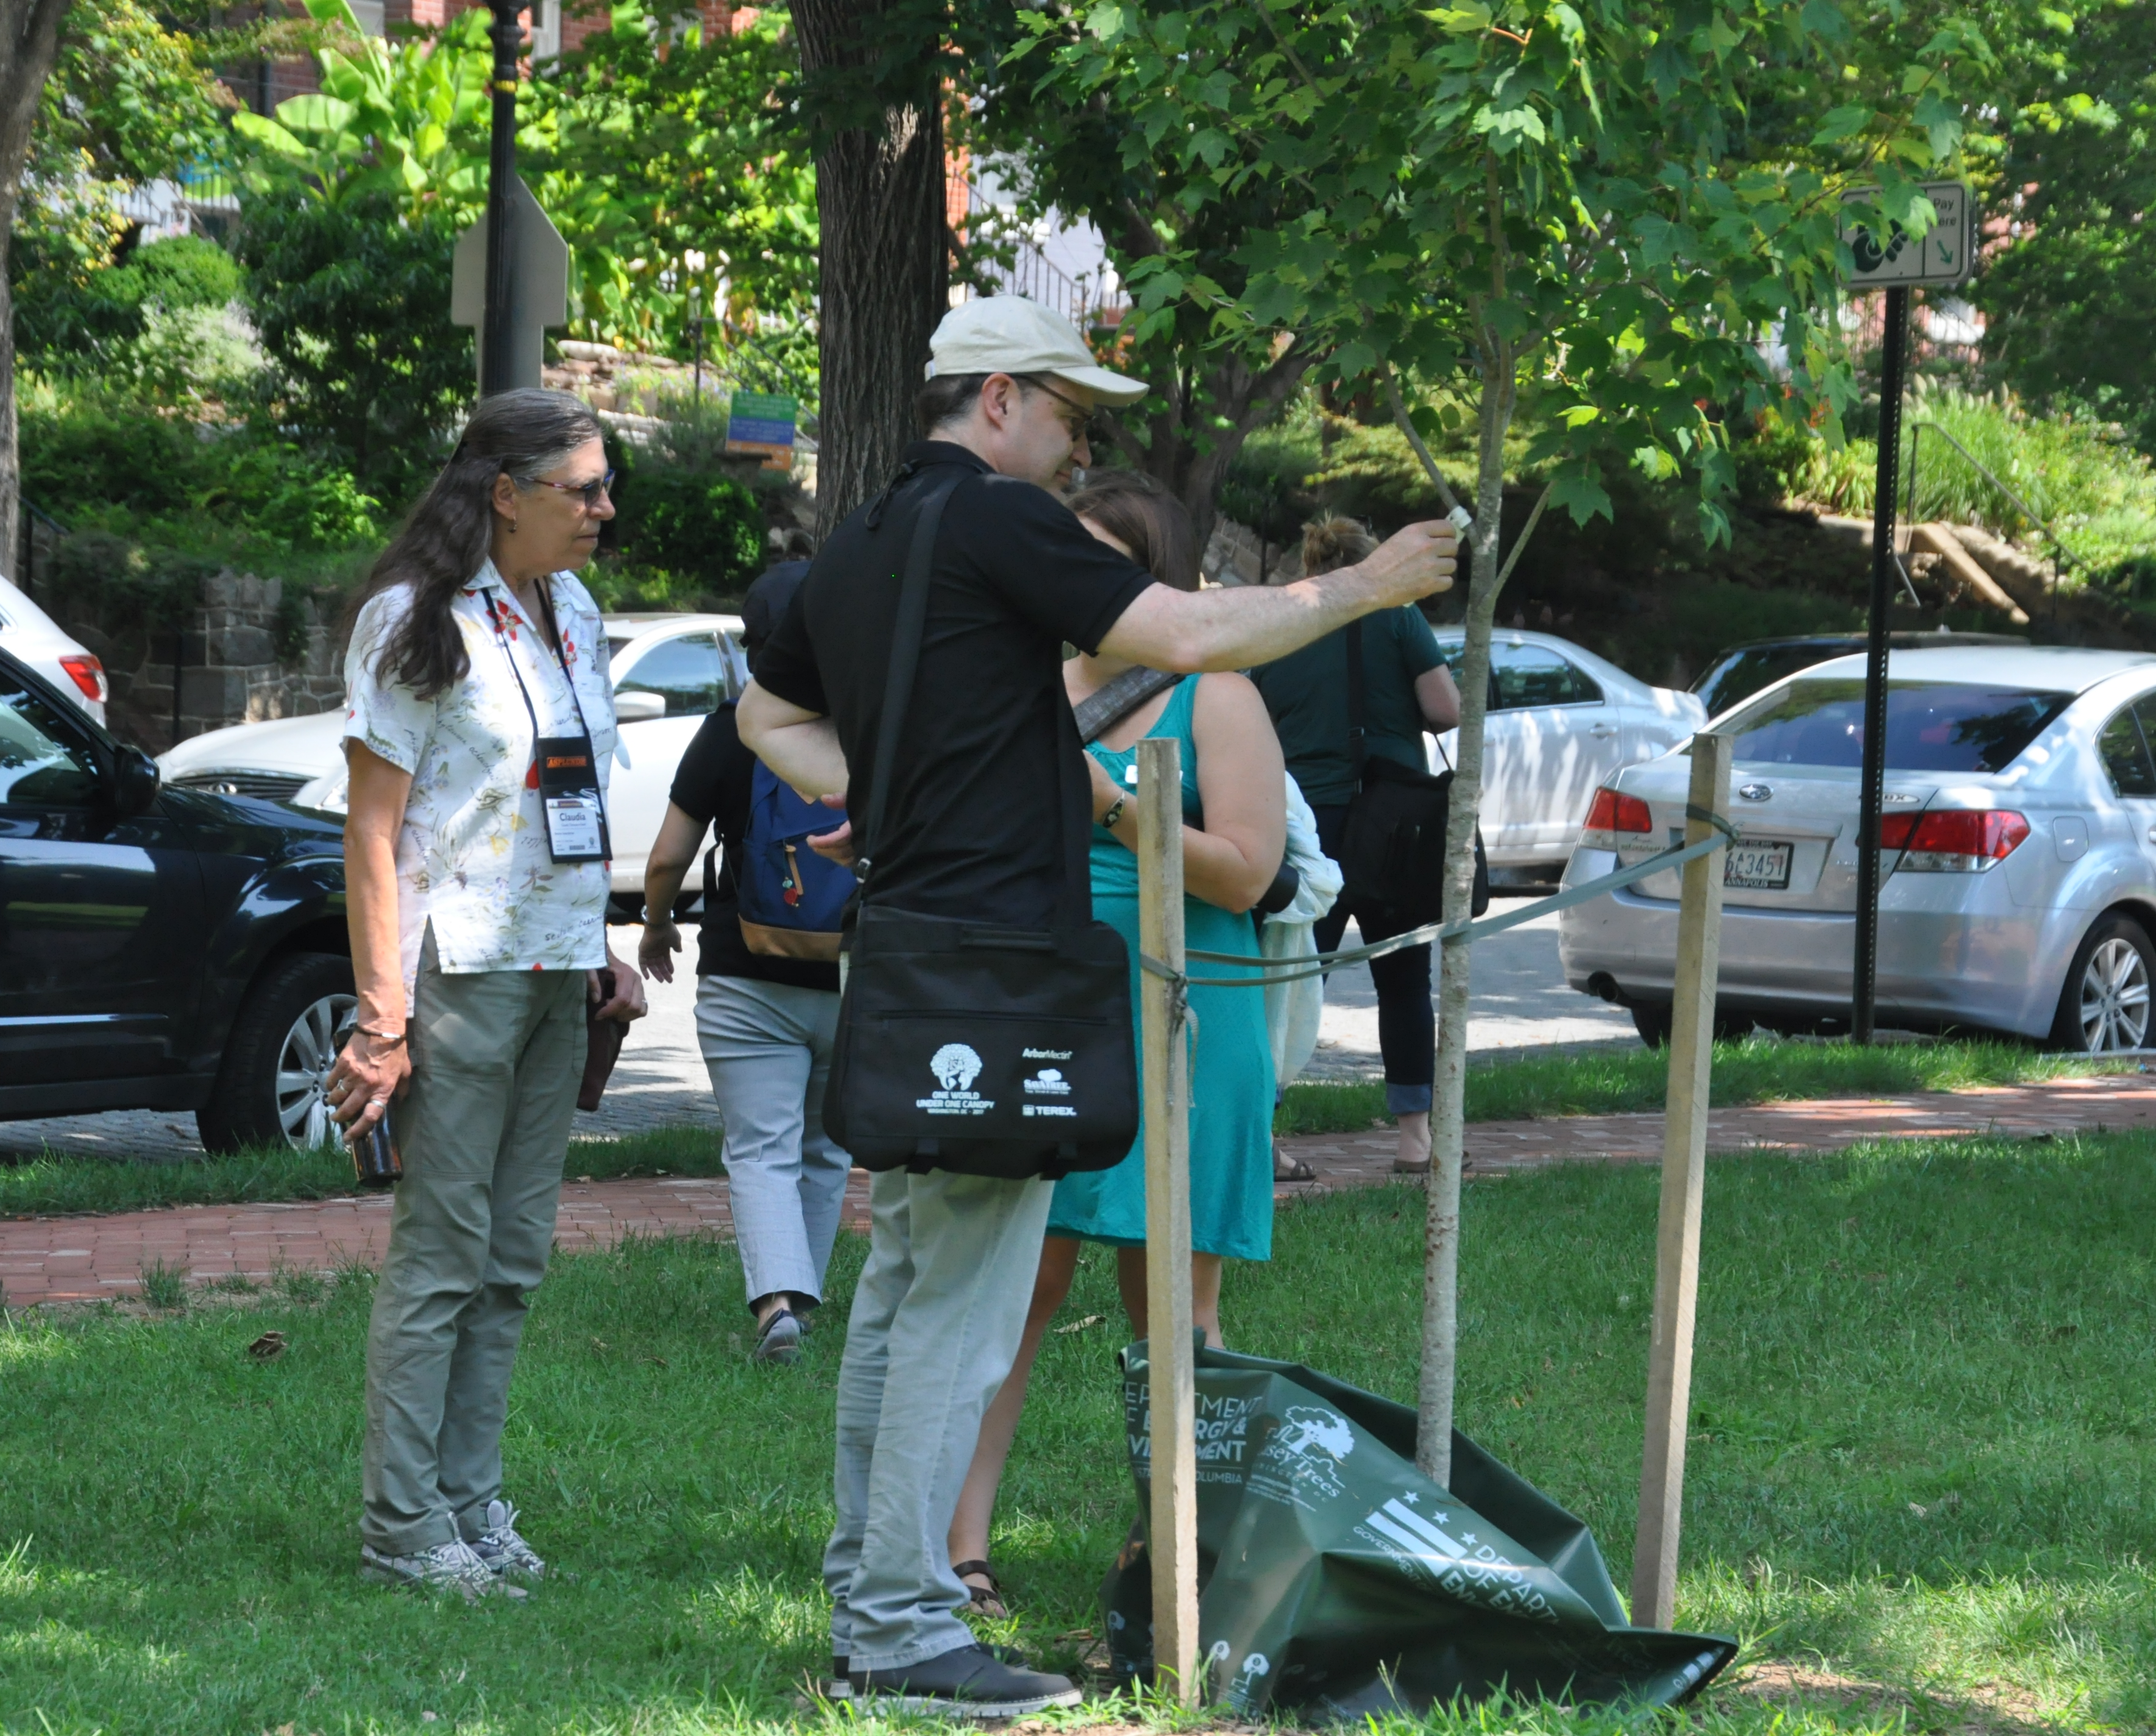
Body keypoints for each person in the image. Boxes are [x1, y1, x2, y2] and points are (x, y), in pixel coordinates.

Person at [738, 293, 1456, 1716]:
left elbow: (763, 713)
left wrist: (876, 794)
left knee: (902, 1283)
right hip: (994, 961)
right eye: (1068, 421)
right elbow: (1185, 631)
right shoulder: (993, 520)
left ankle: (872, 1588)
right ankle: (897, 1632)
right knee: (960, 1297)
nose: (1075, 458)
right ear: (996, 397)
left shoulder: (864, 540)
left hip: (910, 950)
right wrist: (1365, 586)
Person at [323, 388, 648, 1601]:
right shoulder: (413, 619)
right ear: (502, 493)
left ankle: (467, 1499)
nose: (603, 510)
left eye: (606, 486)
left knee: (511, 1258)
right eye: (585, 488)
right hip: (454, 969)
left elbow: (570, 800)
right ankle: (403, 1525)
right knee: (443, 1257)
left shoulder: (572, 608)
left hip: (554, 966)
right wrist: (380, 1017)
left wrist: (601, 941)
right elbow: (372, 830)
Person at [944, 469, 1284, 1620]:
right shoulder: (1023, 682)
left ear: (1154, 577)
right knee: (1012, 1288)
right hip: (1050, 1005)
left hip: (1190, 1005)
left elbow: (1248, 868)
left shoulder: (1216, 690)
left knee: (1171, 1305)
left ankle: (1171, 1549)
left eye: (1095, 558)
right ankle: (958, 1548)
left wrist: (1116, 806)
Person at [637, 564, 848, 1366]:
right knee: (826, 1147)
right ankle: (806, 1298)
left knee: (760, 1144)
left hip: (745, 974)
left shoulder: (735, 727)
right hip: (848, 972)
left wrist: (656, 928)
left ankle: (776, 1305)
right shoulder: (868, 726)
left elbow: (666, 859)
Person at [1247, 516, 1463, 1175]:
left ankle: (1262, 1131)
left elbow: (1252, 715)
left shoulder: (1279, 626)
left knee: (1286, 978)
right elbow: (1447, 708)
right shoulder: (1396, 617)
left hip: (1307, 823)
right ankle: (1414, 1137)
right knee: (1402, 978)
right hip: (1394, 820)